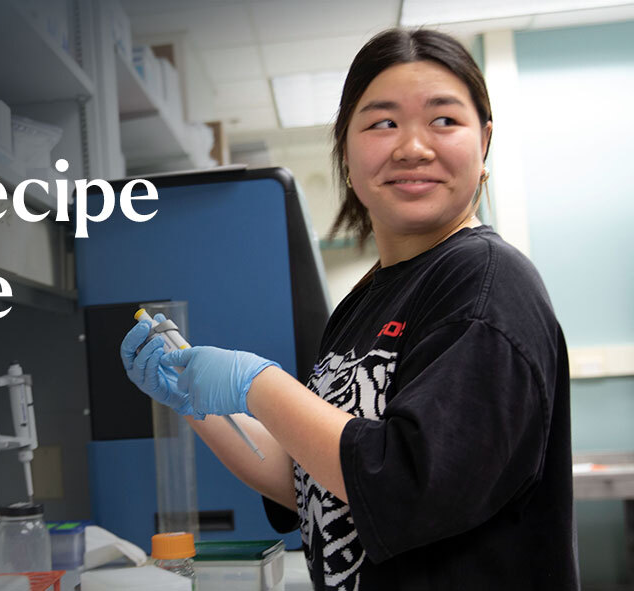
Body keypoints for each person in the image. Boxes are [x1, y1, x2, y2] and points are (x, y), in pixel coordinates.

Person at [121, 28, 577, 590]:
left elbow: (409, 486)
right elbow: (312, 479)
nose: (413, 146)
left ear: (484, 141)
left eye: (444, 120)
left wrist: (258, 383)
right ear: (347, 151)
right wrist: (195, 400)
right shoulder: (366, 300)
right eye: (382, 122)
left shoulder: (485, 284)